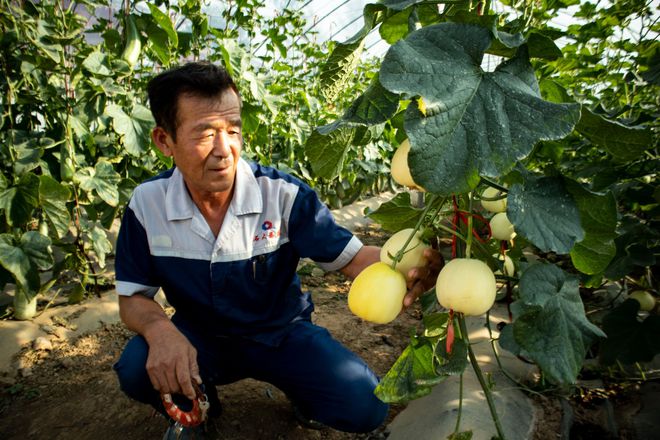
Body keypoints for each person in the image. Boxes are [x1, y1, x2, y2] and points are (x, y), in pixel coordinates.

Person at [113, 62, 442, 440]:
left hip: (282, 336)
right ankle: (199, 405)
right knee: (137, 366)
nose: (225, 150)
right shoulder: (147, 205)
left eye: (233, 130)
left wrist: (409, 266)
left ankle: (302, 391)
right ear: (163, 140)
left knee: (365, 406)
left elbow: (351, 259)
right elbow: (133, 296)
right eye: (205, 134)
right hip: (200, 340)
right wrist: (160, 329)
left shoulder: (283, 195)